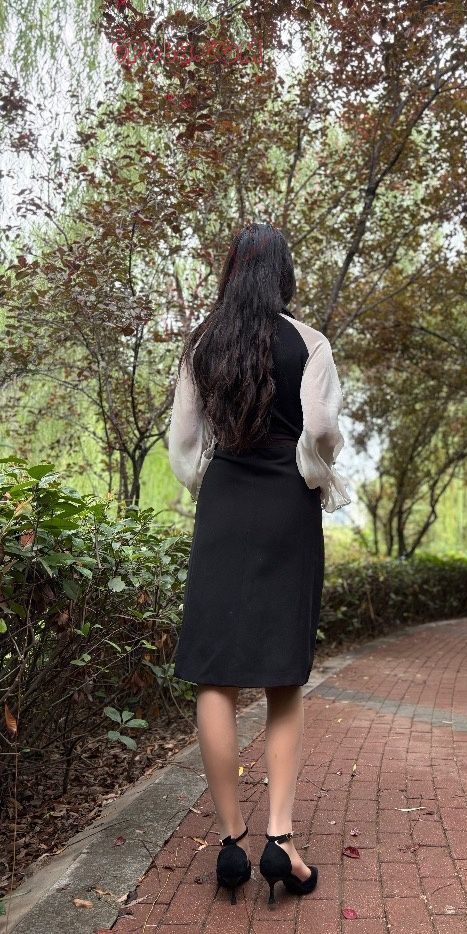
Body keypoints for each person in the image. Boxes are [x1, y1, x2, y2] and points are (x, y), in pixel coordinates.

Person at [166, 222, 351, 908]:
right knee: (282, 674)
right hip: (285, 504)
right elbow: (322, 429)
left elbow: (184, 440)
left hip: (224, 503)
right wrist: (313, 466)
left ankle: (231, 843)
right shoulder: (309, 341)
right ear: (283, 274)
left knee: (214, 675)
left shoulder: (203, 343)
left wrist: (207, 479)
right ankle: (281, 839)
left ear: (230, 271)